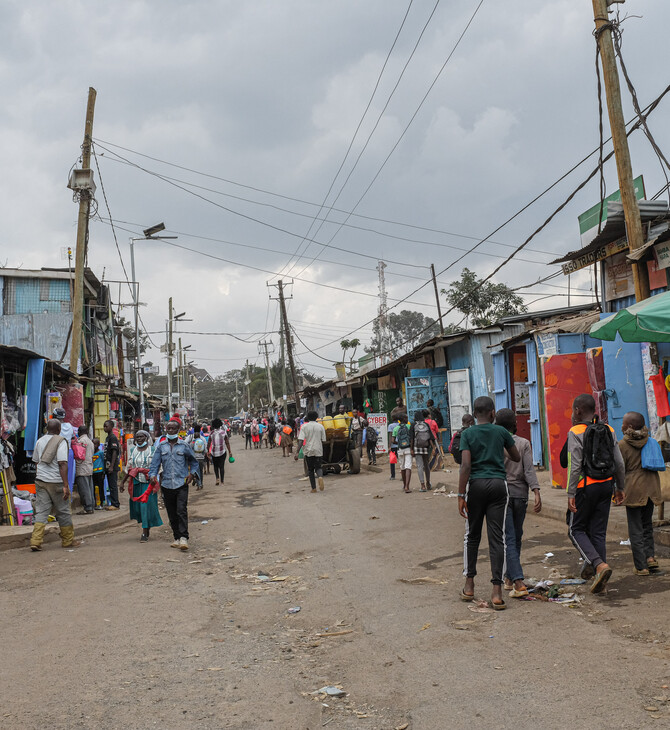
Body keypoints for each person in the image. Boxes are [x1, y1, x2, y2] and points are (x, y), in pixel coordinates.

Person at [458, 396, 520, 610]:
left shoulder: (467, 434)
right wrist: (497, 448)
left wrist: (460, 495)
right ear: (493, 413)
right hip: (498, 486)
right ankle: (497, 592)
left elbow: (465, 466)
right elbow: (516, 457)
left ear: (475, 414)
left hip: (475, 486)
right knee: (498, 538)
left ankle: (469, 585)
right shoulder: (501, 432)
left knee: (472, 536)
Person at [566, 393, 625, 593]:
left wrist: (570, 493)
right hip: (606, 485)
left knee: (576, 530)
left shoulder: (575, 431)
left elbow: (574, 466)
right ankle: (601, 579)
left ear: (577, 410)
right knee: (598, 532)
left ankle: (599, 565)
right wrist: (620, 487)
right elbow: (619, 463)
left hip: (585, 487)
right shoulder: (608, 429)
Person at [495, 408, 542, 598]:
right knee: (516, 535)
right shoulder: (523, 443)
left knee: (509, 538)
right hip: (521, 495)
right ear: (515, 424)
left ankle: (516, 580)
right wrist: (536, 492)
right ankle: (511, 578)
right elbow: (529, 470)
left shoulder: (495, 442)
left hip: (503, 494)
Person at [618, 411, 662, 576]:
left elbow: (619, 469)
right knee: (647, 525)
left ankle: (641, 566)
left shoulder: (622, 445)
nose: (621, 426)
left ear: (629, 426)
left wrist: (617, 489)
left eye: (623, 423)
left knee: (635, 528)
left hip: (634, 490)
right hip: (652, 488)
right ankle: (650, 558)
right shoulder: (650, 441)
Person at [29, 419, 82, 551]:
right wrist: (65, 485)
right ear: (58, 430)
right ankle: (67, 540)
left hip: (41, 480)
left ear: (47, 429)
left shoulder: (39, 441)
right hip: (56, 481)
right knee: (63, 511)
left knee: (41, 511)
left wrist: (41, 475)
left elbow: (36, 461)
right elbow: (62, 463)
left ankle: (35, 541)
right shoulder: (61, 441)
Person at [148, 420, 199, 551]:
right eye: (168, 429)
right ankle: (176, 536)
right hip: (166, 484)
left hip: (181, 483)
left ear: (178, 430)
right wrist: (152, 476)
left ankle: (184, 538)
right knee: (171, 512)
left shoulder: (184, 446)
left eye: (173, 429)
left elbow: (194, 462)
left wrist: (192, 474)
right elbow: (155, 464)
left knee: (181, 510)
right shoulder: (161, 446)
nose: (170, 431)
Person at [120, 430, 163, 542]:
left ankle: (144, 532)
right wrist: (122, 482)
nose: (139, 439)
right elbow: (129, 468)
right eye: (137, 437)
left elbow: (159, 467)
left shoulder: (153, 450)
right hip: (136, 482)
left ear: (146, 438)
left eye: (141, 437)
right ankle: (146, 526)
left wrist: (161, 486)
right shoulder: (133, 450)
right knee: (139, 508)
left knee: (146, 507)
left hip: (149, 483)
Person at [295, 411, 327, 493]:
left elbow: (301, 440)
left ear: (308, 418)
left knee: (310, 470)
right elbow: (323, 440)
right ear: (317, 417)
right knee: (318, 467)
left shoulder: (304, 427)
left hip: (308, 450)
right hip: (318, 450)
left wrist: (297, 452)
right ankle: (320, 476)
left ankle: (314, 488)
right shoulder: (320, 426)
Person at [410, 410, 435, 492]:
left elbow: (411, 439)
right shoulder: (426, 424)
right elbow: (430, 438)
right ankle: (428, 482)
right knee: (426, 465)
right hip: (425, 447)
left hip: (417, 447)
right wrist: (433, 448)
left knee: (419, 466)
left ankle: (422, 485)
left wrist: (411, 449)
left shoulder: (413, 425)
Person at [74, 425, 95, 514]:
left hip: (82, 467)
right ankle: (91, 505)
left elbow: (79, 455)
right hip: (89, 466)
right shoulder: (90, 441)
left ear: (79, 432)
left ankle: (88, 507)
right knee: (89, 487)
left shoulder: (81, 441)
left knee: (84, 488)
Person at [392, 414, 413, 493]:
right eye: (406, 418)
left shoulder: (396, 428)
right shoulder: (408, 427)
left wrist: (399, 443)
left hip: (400, 449)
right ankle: (407, 486)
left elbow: (392, 441)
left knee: (402, 467)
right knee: (408, 467)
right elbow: (411, 438)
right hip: (408, 448)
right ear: (404, 419)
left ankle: (404, 485)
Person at [208, 418, 232, 486]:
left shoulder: (211, 433)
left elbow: (209, 443)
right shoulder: (223, 432)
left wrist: (208, 452)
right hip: (222, 452)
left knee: (215, 466)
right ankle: (222, 482)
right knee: (221, 466)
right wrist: (230, 451)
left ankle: (217, 478)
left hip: (214, 452)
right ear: (220, 425)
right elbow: (227, 442)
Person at [103, 419, 121, 511]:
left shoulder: (113, 438)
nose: (104, 428)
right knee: (110, 485)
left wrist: (111, 466)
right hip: (107, 465)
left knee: (113, 485)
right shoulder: (107, 438)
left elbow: (115, 452)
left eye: (106, 426)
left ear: (111, 427)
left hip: (112, 466)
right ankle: (112, 502)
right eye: (104, 426)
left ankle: (115, 504)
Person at [186, 424, 207, 489]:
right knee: (200, 471)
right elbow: (205, 449)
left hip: (194, 458)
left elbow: (185, 444)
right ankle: (201, 483)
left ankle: (199, 484)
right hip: (201, 457)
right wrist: (204, 454)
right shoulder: (202, 438)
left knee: (195, 471)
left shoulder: (191, 437)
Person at [92, 437, 106, 508]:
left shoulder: (100, 453)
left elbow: (104, 461)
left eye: (95, 444)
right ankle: (95, 502)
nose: (93, 446)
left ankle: (102, 502)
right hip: (93, 473)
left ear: (98, 445)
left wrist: (104, 472)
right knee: (93, 488)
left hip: (100, 472)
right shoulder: (91, 453)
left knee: (101, 487)